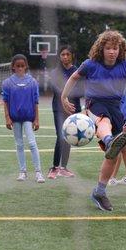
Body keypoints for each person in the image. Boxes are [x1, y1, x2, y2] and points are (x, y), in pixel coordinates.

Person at [60, 30, 126, 211]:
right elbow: (74, 78)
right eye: (108, 48)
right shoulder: (90, 64)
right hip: (95, 103)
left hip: (116, 106)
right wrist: (64, 97)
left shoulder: (125, 66)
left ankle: (99, 191)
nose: (112, 51)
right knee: (104, 122)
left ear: (121, 50)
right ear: (101, 49)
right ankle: (108, 140)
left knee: (112, 155)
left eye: (115, 48)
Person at [1, 54, 45, 183]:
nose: (20, 68)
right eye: (17, 66)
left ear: (26, 66)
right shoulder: (7, 83)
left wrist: (37, 119)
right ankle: (22, 171)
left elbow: (36, 102)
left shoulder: (32, 82)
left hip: (28, 118)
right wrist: (7, 118)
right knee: (19, 144)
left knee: (31, 143)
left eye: (22, 66)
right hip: (15, 118)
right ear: (13, 67)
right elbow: (5, 101)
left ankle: (38, 172)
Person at [47, 45, 83, 180]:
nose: (65, 57)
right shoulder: (55, 72)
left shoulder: (78, 71)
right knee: (60, 136)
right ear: (60, 56)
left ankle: (64, 168)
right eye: (63, 54)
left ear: (72, 55)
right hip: (59, 108)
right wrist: (65, 97)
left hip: (74, 108)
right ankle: (55, 167)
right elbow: (56, 89)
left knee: (69, 137)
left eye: (68, 54)